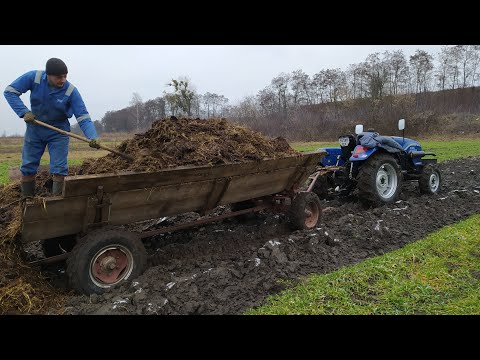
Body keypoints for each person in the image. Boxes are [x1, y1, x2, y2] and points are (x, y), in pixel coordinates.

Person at [4, 58, 101, 197]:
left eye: (65, 76)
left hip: (58, 131)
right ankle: (27, 199)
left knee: (59, 168)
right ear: (48, 75)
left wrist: (93, 136)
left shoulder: (71, 91)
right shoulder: (34, 78)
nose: (62, 80)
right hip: (35, 127)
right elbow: (10, 91)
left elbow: (83, 117)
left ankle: (56, 202)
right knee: (28, 166)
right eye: (59, 77)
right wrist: (24, 112)